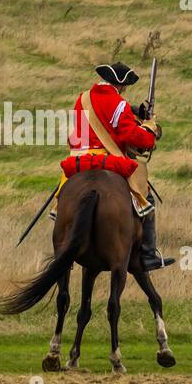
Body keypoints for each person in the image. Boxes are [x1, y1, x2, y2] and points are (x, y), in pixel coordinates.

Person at [59, 61, 172, 270]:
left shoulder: (83, 99)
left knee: (63, 197)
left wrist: (135, 110)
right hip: (107, 159)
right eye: (125, 87)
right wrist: (149, 129)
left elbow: (86, 126)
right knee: (145, 197)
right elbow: (132, 135)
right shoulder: (118, 104)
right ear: (120, 85)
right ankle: (148, 253)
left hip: (79, 161)